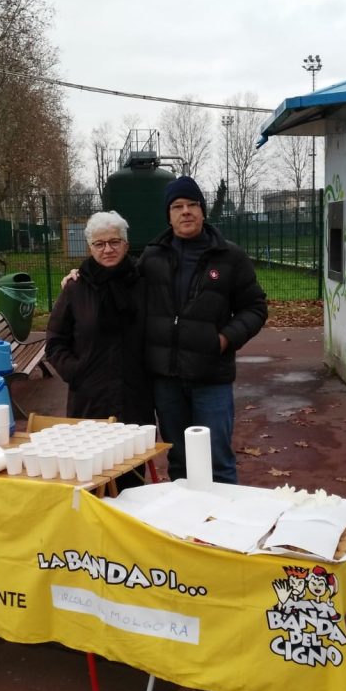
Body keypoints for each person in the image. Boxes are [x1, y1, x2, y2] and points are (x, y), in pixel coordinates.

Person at [142, 175, 267, 483]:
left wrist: (224, 339)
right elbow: (121, 289)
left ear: (202, 210)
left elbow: (255, 307)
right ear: (168, 215)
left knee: (218, 461)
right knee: (179, 462)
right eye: (177, 206)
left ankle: (223, 516)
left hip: (211, 378)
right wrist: (80, 275)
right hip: (167, 380)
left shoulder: (230, 256)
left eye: (192, 204)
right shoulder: (152, 257)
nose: (186, 211)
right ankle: (185, 516)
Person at [45, 210, 153, 438]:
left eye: (114, 242)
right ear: (90, 248)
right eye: (99, 244)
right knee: (90, 456)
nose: (108, 249)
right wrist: (75, 371)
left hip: (134, 396)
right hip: (89, 398)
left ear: (126, 245)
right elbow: (55, 341)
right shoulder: (75, 288)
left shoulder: (143, 284)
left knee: (134, 457)